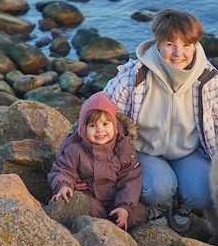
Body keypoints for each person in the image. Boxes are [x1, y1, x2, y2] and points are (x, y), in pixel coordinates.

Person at [103, 8, 218, 232]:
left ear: (195, 45)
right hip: (144, 151)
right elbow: (102, 110)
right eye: (170, 44)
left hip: (188, 152)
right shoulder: (135, 75)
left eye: (186, 45)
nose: (178, 53)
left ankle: (182, 203)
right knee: (157, 188)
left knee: (206, 191)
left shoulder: (208, 78)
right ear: (158, 43)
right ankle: (153, 205)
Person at [47, 91, 147, 231]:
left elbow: (130, 179)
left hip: (115, 197)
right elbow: (63, 169)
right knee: (78, 205)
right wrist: (63, 185)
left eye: (105, 124)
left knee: (137, 214)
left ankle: (118, 223)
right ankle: (98, 228)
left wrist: (124, 206)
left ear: (114, 125)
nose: (100, 130)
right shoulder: (75, 149)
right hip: (91, 196)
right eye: (93, 126)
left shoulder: (124, 148)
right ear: (83, 129)